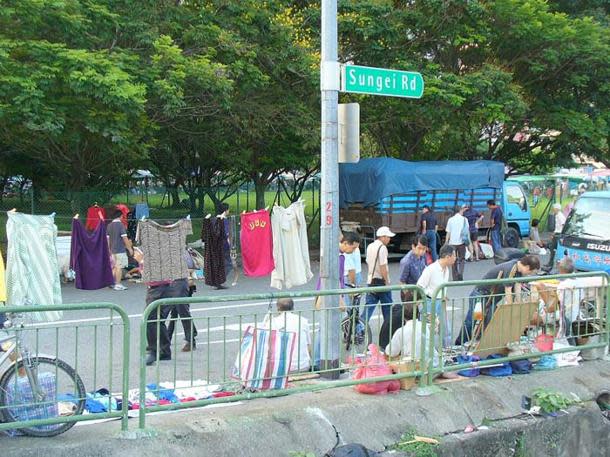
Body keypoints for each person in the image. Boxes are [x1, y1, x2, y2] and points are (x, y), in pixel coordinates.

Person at [455, 255, 541, 344]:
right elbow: (508, 290)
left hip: (491, 298)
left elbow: (518, 286)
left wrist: (518, 304)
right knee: (474, 320)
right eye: (530, 272)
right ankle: (460, 343)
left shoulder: (518, 269)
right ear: (527, 267)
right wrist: (511, 307)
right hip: (480, 296)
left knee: (490, 321)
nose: (529, 274)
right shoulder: (511, 268)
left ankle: (481, 343)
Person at [379, 235, 428, 350]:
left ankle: (415, 344)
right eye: (419, 248)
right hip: (409, 295)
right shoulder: (406, 261)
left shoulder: (422, 258)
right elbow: (402, 282)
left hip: (419, 292)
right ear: (413, 246)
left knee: (417, 320)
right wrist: (410, 299)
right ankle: (405, 346)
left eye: (424, 249)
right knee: (409, 320)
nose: (422, 251)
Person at [416, 245, 456, 346]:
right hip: (430, 303)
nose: (455, 258)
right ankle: (427, 356)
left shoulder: (446, 269)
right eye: (454, 256)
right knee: (429, 332)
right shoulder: (431, 269)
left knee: (446, 331)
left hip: (440, 302)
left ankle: (446, 352)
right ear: (448, 257)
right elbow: (420, 286)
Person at [263, 298, 312, 373]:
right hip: (302, 366)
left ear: (278, 308)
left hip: (279, 368)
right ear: (293, 308)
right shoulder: (303, 321)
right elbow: (308, 347)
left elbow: (266, 347)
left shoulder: (272, 322)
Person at [363, 226, 395, 324]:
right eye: (388, 237)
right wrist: (387, 281)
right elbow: (383, 267)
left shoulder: (370, 246)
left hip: (371, 280)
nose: (389, 239)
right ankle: (388, 329)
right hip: (381, 281)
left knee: (369, 307)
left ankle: (360, 328)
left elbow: (368, 262)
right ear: (383, 237)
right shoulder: (382, 248)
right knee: (387, 308)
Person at [107, 207, 134, 291]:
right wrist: (130, 249)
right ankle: (118, 284)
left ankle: (111, 282)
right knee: (119, 267)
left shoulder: (109, 225)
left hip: (112, 249)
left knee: (114, 267)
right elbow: (125, 238)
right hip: (120, 249)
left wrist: (108, 249)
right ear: (121, 216)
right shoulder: (120, 225)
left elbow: (107, 238)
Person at [445, 205, 468, 281]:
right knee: (462, 259)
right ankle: (461, 273)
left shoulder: (450, 220)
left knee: (453, 260)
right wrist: (469, 242)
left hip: (452, 243)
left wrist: (446, 242)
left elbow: (448, 232)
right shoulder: (464, 219)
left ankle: (455, 277)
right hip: (462, 242)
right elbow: (467, 231)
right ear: (459, 210)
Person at [544, 203, 566, 271]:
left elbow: (563, 225)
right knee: (552, 249)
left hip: (558, 235)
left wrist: (557, 235)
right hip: (556, 234)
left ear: (556, 209)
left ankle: (552, 265)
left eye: (554, 208)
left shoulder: (560, 216)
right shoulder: (557, 215)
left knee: (554, 249)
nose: (553, 209)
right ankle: (551, 264)